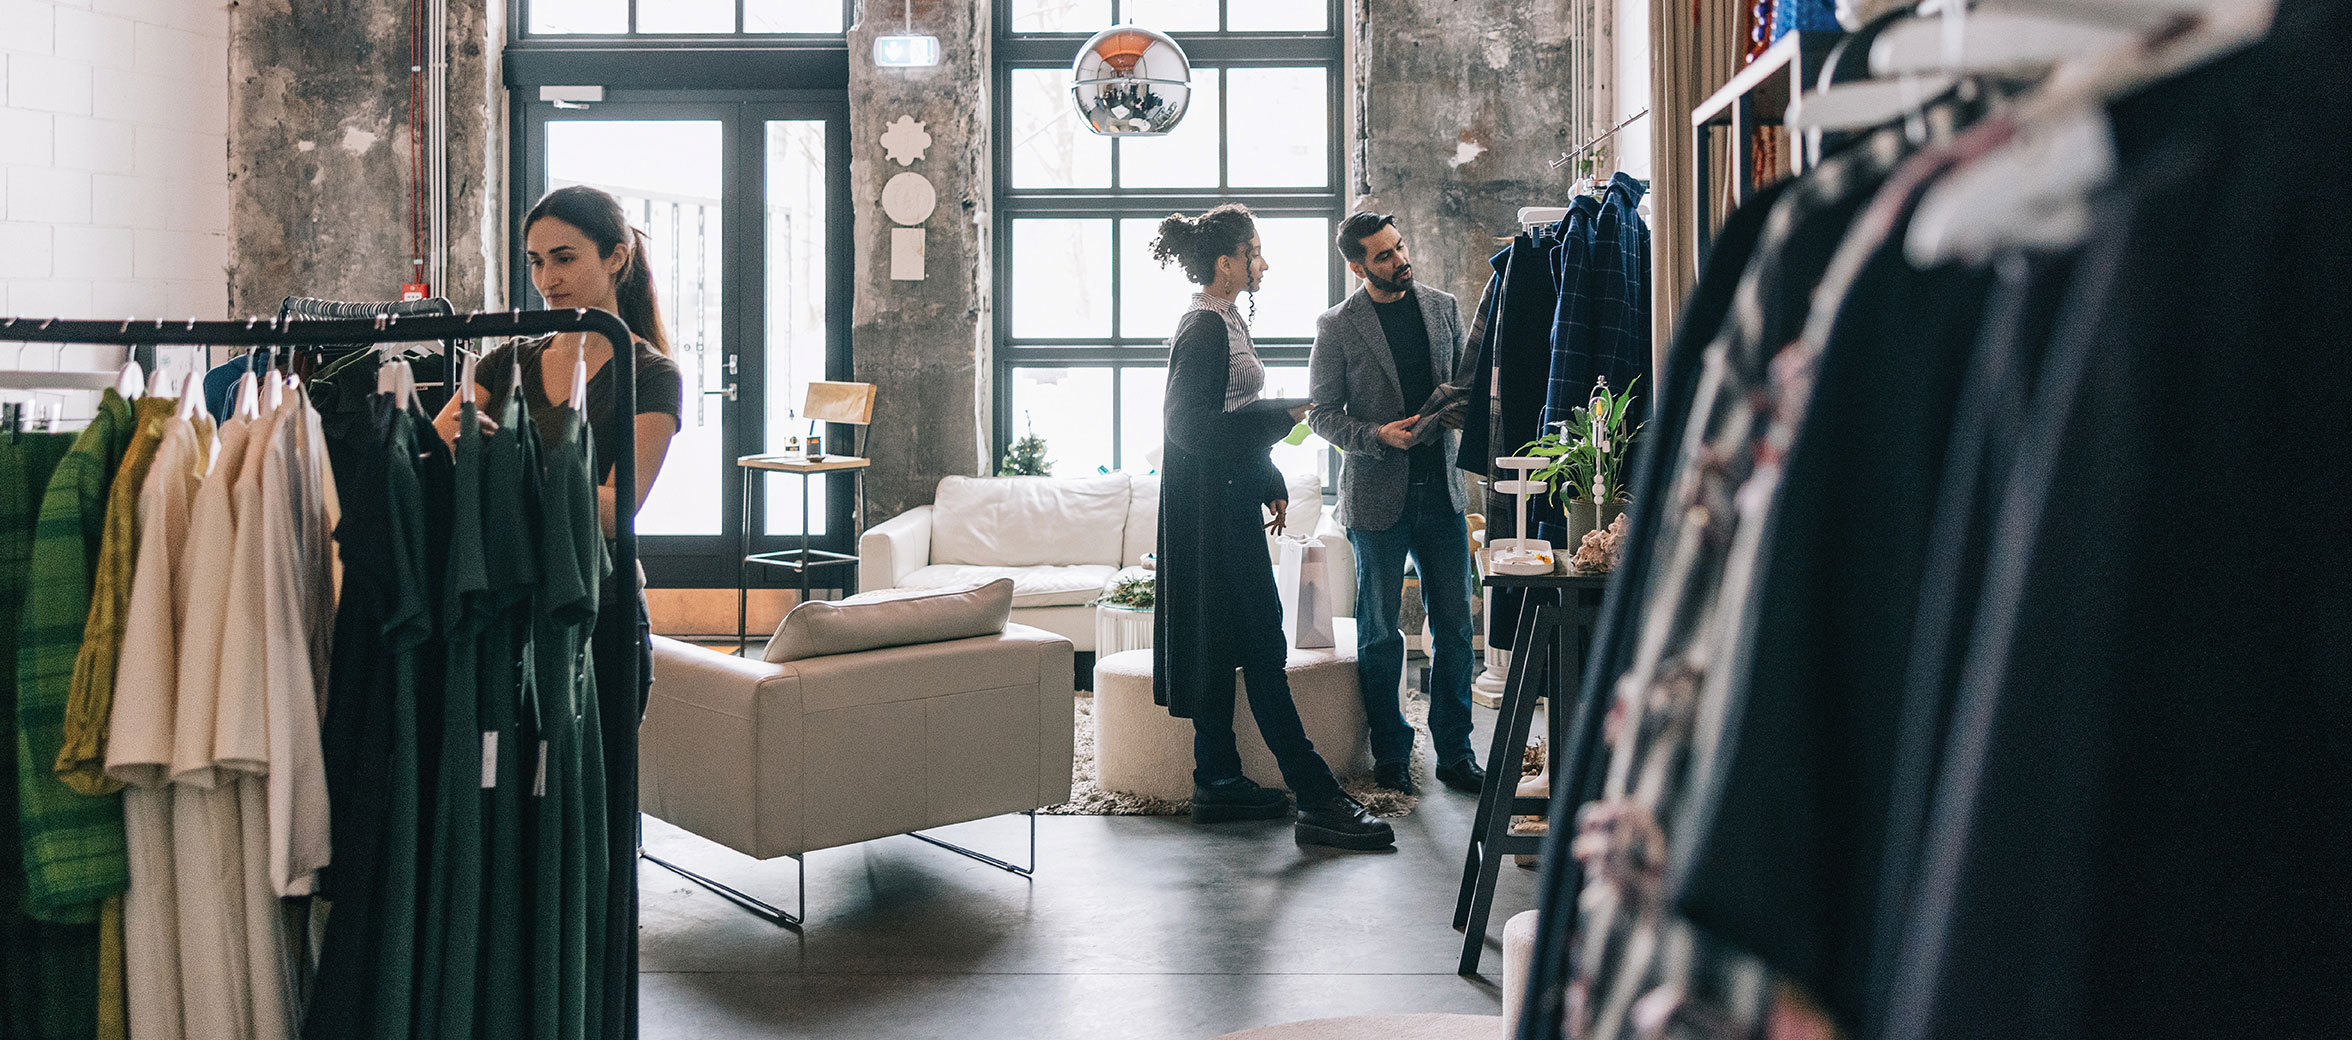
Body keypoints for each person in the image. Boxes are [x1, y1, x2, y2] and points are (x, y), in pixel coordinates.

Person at [1148, 203, 1394, 852]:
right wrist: (1278, 419)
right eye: (1254, 252)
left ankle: (1218, 781)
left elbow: (1226, 413)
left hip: (1225, 507)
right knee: (1260, 647)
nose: (1263, 262)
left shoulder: (1223, 318)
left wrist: (1268, 477)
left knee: (1232, 640)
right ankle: (1316, 798)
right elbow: (1188, 428)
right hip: (1214, 522)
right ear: (1226, 262)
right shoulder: (1203, 327)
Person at [1307, 211, 1486, 796]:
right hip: (1375, 500)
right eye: (1383, 256)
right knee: (1381, 633)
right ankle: (1390, 753)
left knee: (1456, 629)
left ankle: (1456, 754)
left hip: (1442, 491)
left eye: (1399, 247)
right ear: (1358, 267)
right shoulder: (1336, 326)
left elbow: (1467, 386)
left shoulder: (1442, 306)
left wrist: (1462, 411)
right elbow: (1322, 414)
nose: (1399, 259)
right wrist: (1377, 436)